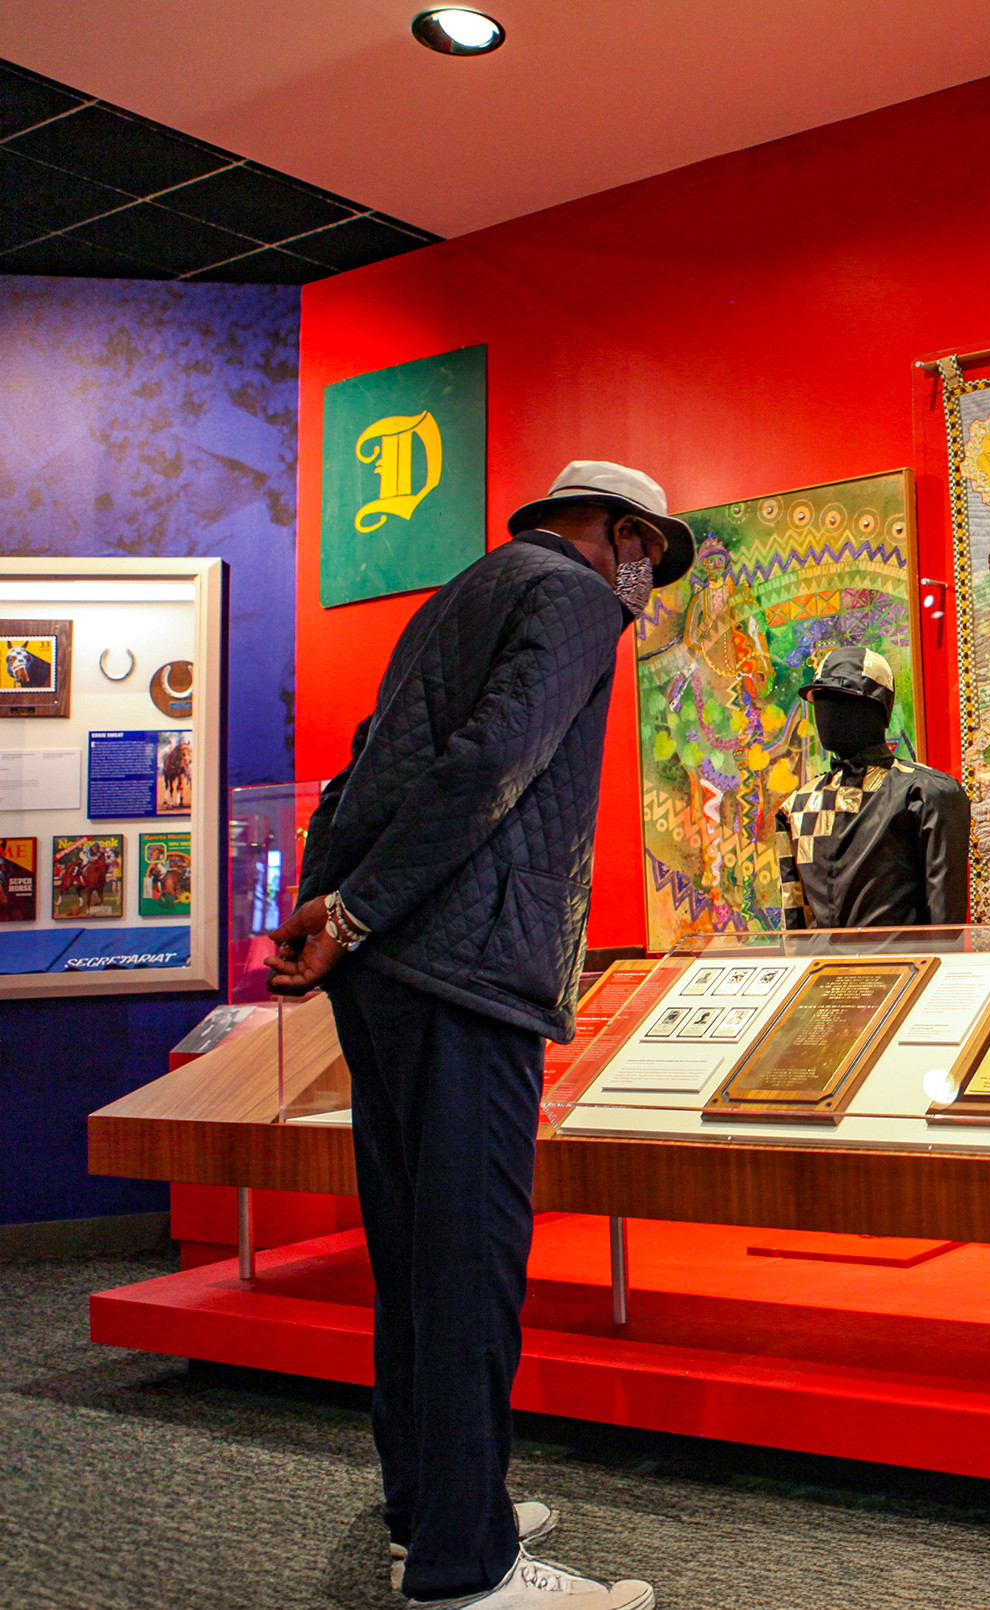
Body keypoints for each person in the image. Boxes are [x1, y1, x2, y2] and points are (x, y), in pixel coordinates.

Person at [267, 461, 695, 1610]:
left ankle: (436, 1505)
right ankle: (467, 1565)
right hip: (466, 969)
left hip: (396, 967)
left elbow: (359, 766)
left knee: (414, 1251)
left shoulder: (462, 590)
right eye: (646, 550)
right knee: (469, 1262)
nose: (645, 580)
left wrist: (331, 913)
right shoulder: (570, 596)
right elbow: (492, 765)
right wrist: (351, 915)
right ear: (612, 531)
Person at [776, 645, 969, 928]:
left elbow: (945, 920)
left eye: (842, 700)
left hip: (903, 969)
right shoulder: (797, 805)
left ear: (877, 708)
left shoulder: (926, 792)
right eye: (822, 702)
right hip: (818, 971)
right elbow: (795, 919)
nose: (829, 714)